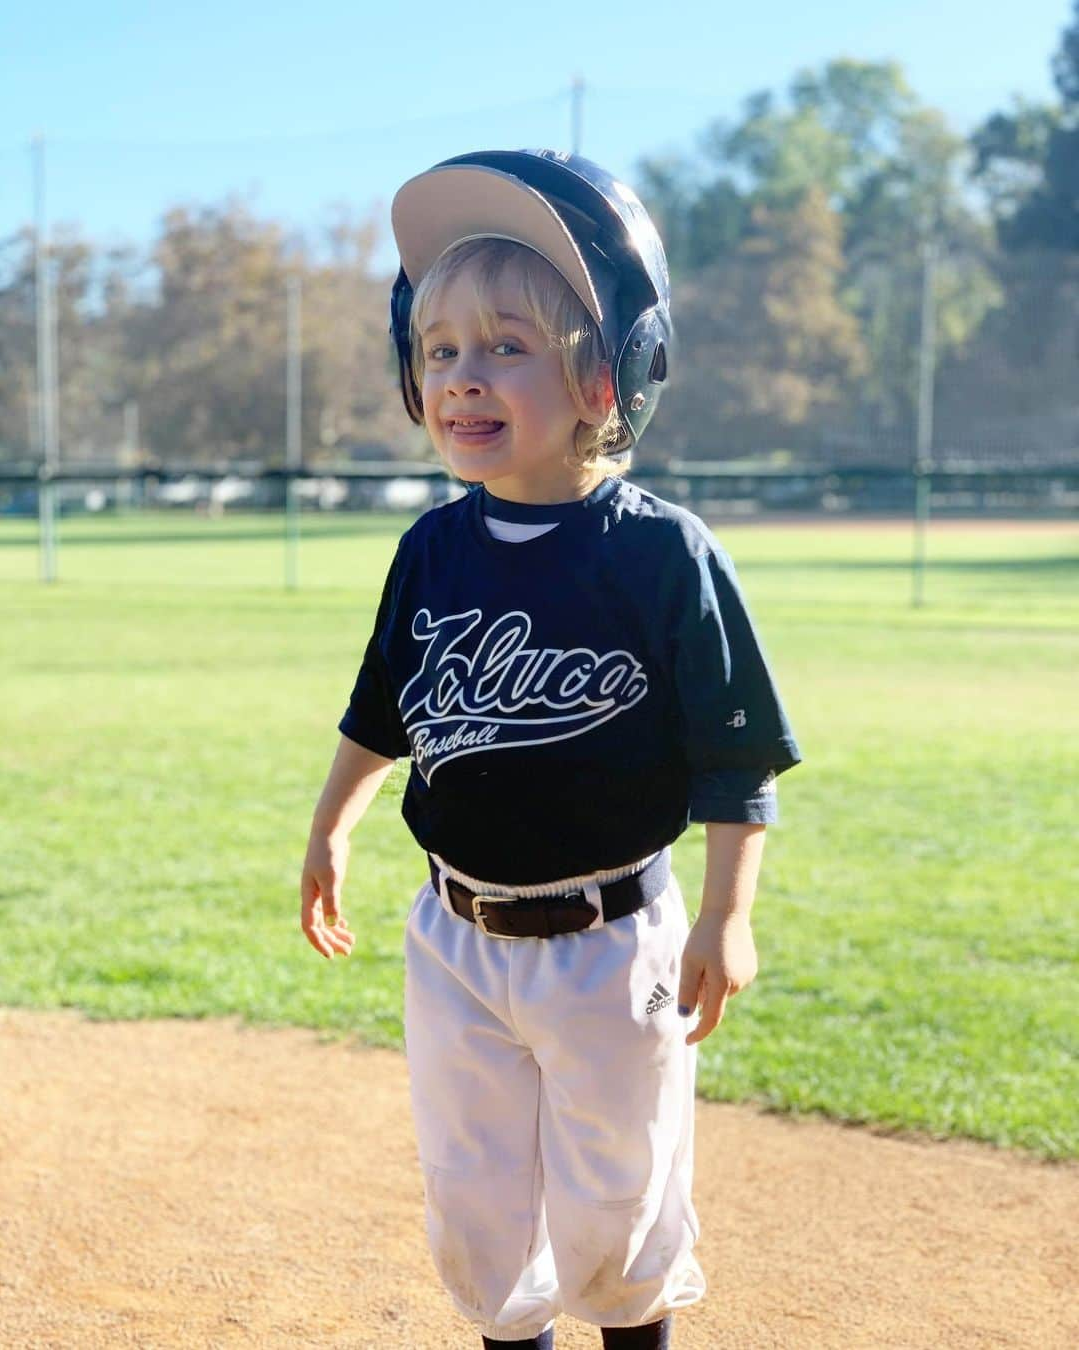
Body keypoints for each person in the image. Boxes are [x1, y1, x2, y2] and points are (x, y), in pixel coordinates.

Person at [300, 149, 801, 1349]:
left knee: (618, 1206)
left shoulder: (662, 557)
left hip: (608, 945)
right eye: (440, 352)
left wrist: (729, 916)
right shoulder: (431, 548)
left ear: (612, 373)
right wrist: (333, 825)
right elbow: (385, 706)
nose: (464, 380)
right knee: (474, 1205)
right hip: (452, 939)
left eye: (506, 346)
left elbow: (737, 761)